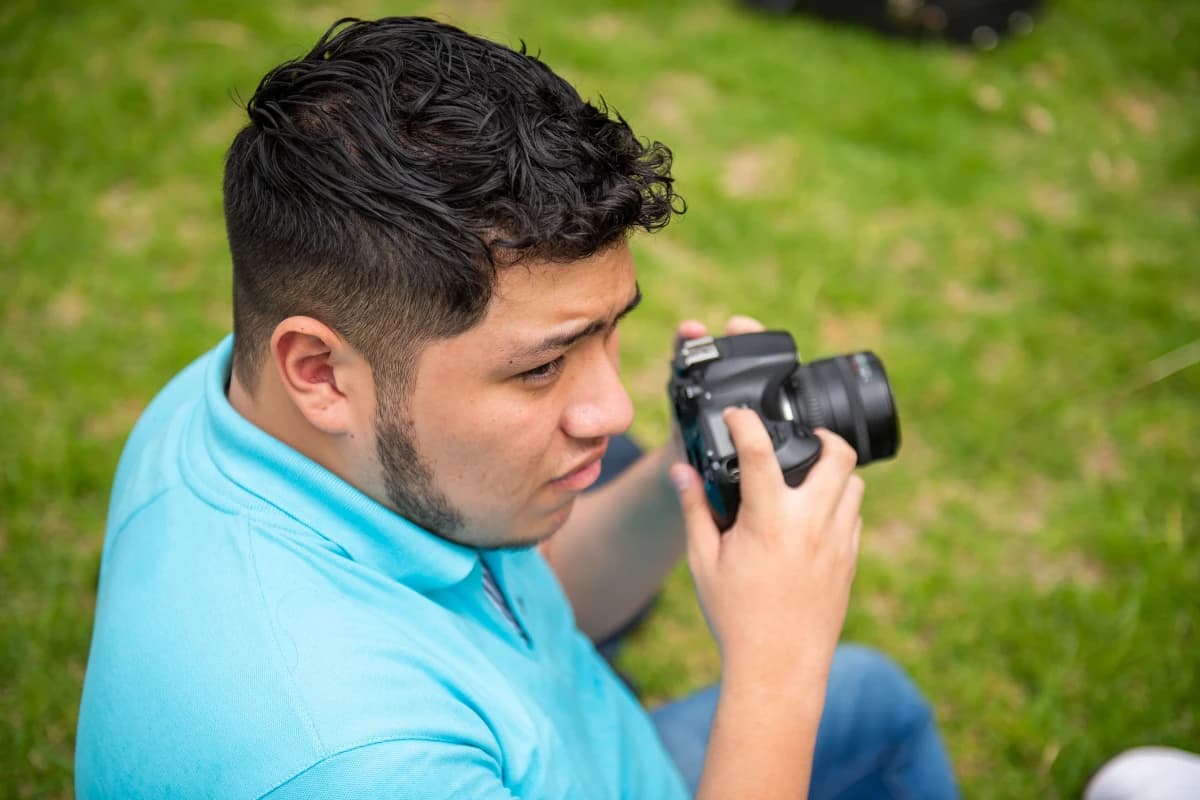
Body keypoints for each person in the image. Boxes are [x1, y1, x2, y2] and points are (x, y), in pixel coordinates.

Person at [75, 16, 958, 799]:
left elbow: (521, 608)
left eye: (611, 332)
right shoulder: (359, 761)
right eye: (541, 368)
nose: (612, 408)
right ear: (321, 372)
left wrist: (687, 470)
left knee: (874, 701)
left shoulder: (244, 406)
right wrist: (776, 671)